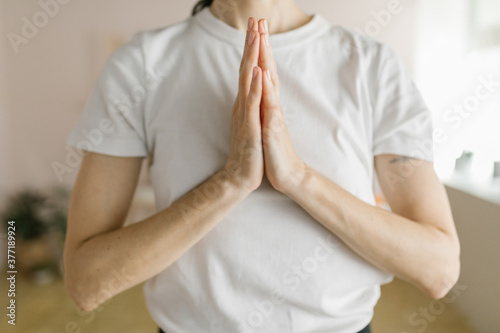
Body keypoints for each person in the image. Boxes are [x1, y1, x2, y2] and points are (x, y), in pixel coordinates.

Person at [63, 0, 461, 332]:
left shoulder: (372, 67)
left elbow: (439, 270)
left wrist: (297, 178)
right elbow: (86, 282)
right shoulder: (141, 65)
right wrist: (231, 181)